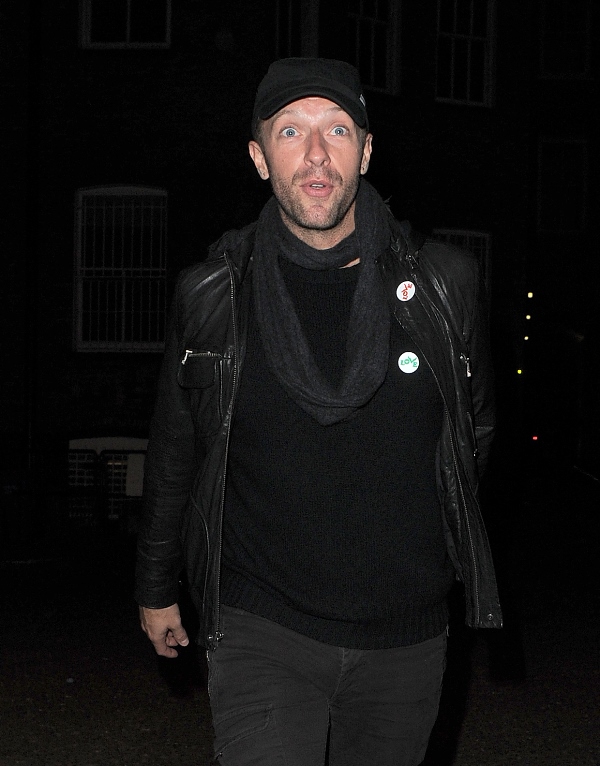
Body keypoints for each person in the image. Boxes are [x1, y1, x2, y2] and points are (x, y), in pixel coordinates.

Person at [135, 57, 502, 766]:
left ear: (365, 151)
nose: (315, 154)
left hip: (406, 631)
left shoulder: (444, 285)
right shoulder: (212, 296)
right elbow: (177, 447)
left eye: (336, 130)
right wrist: (155, 587)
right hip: (260, 620)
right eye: (289, 131)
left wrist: (426, 543)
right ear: (258, 158)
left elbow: (474, 430)